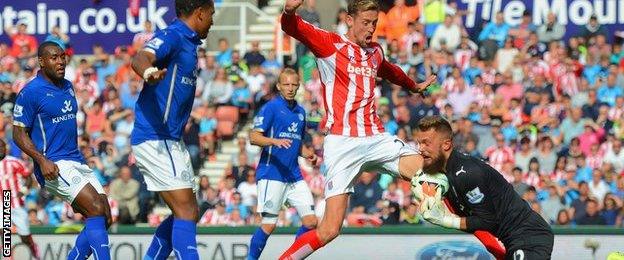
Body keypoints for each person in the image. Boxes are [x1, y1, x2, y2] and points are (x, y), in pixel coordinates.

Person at [277, 1, 437, 259]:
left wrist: (412, 86)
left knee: (430, 172)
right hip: (342, 142)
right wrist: (289, 11)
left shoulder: (374, 51)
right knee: (329, 230)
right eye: (366, 23)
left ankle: (482, 231)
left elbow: (388, 69)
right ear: (349, 20)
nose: (371, 28)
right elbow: (292, 27)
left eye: (374, 23)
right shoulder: (329, 44)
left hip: (376, 138)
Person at [129, 0, 215, 259]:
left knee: (188, 212)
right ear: (199, 13)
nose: (213, 21)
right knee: (187, 211)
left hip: (169, 140)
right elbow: (140, 57)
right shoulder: (173, 35)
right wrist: (148, 73)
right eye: (211, 15)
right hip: (156, 137)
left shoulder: (189, 42)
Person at [13, 41, 112, 260]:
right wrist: (41, 160)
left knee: (105, 216)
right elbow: (18, 134)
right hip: (53, 164)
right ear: (41, 61)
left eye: (62, 57)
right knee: (95, 208)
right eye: (53, 58)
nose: (60, 62)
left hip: (76, 159)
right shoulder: (30, 92)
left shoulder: (67, 85)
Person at [413, 116, 554, 259]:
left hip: (529, 235)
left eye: (426, 143)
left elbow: (488, 221)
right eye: (419, 143)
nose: (420, 149)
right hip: (513, 239)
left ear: (446, 144)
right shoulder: (446, 173)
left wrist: (444, 220)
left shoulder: (466, 173)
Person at [247, 68, 318, 260]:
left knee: (311, 222)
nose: (290, 88)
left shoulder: (301, 112)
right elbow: (253, 137)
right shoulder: (271, 107)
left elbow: (296, 143)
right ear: (279, 86)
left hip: (294, 174)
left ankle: (290, 258)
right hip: (272, 173)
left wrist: (308, 155)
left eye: (294, 84)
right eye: (286, 84)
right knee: (269, 225)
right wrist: (274, 141)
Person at [0, 139, 40, 259]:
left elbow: (28, 177)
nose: (0, 149)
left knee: (24, 235)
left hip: (15, 202)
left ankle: (34, 249)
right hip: (3, 202)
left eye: (2, 147)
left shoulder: (14, 162)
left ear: (6, 148)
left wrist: (23, 191)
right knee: (3, 230)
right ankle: (8, 257)